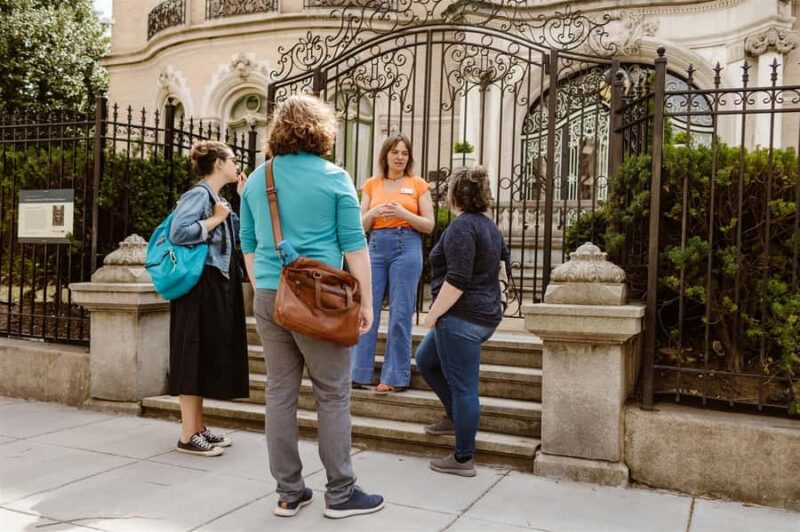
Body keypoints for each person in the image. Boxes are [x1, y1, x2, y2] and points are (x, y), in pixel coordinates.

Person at [239, 95, 384, 519]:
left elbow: (247, 244)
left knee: (279, 393)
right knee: (333, 395)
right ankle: (340, 493)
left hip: (270, 294)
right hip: (321, 299)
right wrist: (367, 302)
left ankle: (288, 491)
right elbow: (355, 248)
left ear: (277, 131)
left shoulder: (256, 180)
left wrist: (263, 285)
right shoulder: (334, 178)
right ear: (322, 131)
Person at [415, 165, 510, 477]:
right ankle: (455, 416)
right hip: (481, 315)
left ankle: (462, 457)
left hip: (461, 317)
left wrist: (432, 315)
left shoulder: (461, 228)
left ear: (455, 194)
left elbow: (456, 280)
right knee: (426, 360)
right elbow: (504, 269)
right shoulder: (490, 227)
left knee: (464, 387)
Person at [168, 140, 250, 457]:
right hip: (199, 286)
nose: (236, 164)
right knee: (192, 356)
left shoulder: (217, 198)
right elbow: (178, 232)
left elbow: (241, 235)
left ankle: (198, 428)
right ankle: (188, 435)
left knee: (202, 356)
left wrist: (240, 202)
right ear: (218, 163)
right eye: (232, 159)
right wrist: (214, 219)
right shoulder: (199, 195)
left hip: (215, 284)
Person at [351, 134, 434, 394]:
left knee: (400, 313)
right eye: (395, 152)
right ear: (385, 155)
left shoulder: (418, 184)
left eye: (404, 153)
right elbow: (359, 226)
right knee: (367, 311)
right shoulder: (371, 185)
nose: (400, 157)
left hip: (407, 248)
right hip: (375, 247)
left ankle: (395, 377)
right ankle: (358, 373)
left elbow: (429, 225)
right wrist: (373, 214)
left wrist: (403, 214)